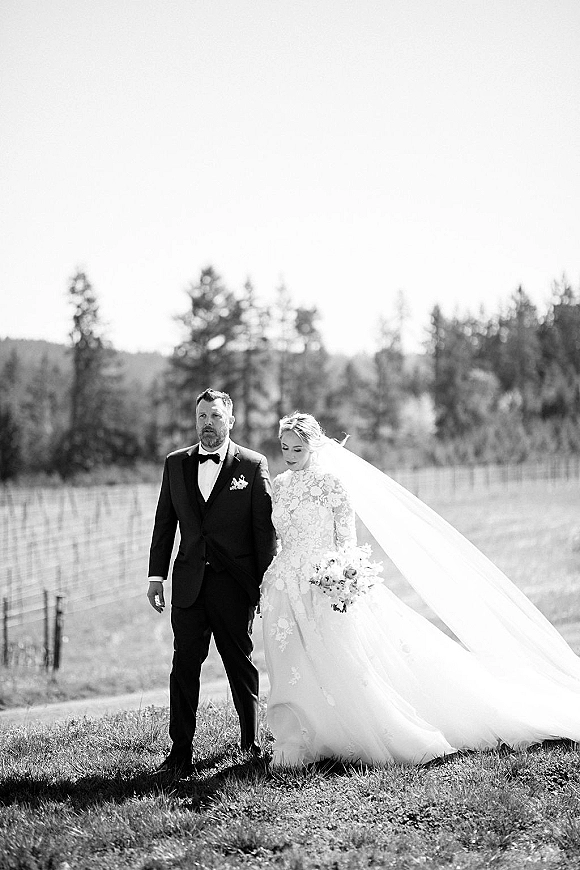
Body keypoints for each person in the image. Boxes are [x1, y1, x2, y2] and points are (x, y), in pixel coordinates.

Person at [261, 412, 580, 767]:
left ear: (313, 445)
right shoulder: (282, 483)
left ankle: (359, 731)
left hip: (326, 586)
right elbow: (279, 535)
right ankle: (303, 736)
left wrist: (341, 577)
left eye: (297, 448)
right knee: (297, 663)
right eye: (284, 447)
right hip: (285, 586)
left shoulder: (331, 483)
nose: (289, 454)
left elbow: (347, 540)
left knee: (344, 661)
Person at [147, 388, 277, 775]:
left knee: (239, 665)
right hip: (188, 584)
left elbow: (263, 533)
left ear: (231, 421)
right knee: (184, 666)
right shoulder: (175, 464)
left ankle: (250, 742)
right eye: (202, 416)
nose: (207, 424)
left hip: (234, 587)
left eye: (215, 417)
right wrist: (157, 576)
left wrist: (262, 585)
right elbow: (164, 523)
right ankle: (180, 750)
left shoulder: (252, 466)